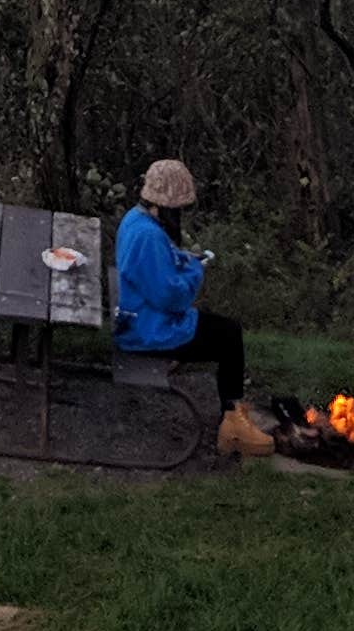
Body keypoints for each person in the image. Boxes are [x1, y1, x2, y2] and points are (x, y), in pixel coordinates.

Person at [112, 159, 263, 452]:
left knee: (224, 329)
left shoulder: (136, 219)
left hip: (141, 317)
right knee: (229, 336)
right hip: (148, 331)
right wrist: (195, 271)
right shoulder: (147, 235)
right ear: (168, 206)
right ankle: (232, 424)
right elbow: (172, 298)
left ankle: (232, 416)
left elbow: (156, 269)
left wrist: (182, 259)